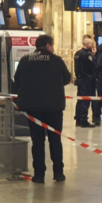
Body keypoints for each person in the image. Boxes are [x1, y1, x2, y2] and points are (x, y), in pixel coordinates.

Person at [15, 35, 71, 183]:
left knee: (37, 141)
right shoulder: (56, 60)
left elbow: (17, 79)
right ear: (48, 45)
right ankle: (58, 172)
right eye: (52, 45)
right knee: (55, 140)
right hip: (54, 107)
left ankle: (39, 174)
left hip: (32, 107)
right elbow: (67, 79)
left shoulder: (25, 60)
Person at [74, 38, 97, 128]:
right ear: (86, 44)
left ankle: (78, 118)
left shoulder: (77, 53)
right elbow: (93, 64)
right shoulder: (86, 54)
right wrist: (94, 55)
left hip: (80, 79)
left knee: (80, 99)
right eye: (91, 44)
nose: (93, 46)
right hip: (86, 79)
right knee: (85, 100)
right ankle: (83, 119)